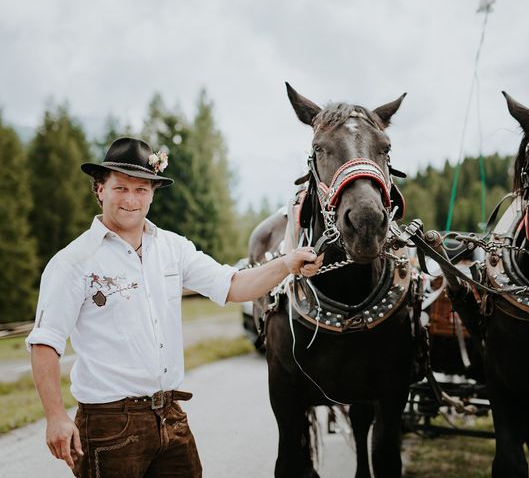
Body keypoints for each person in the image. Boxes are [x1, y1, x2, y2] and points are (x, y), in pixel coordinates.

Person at [26, 137, 323, 477]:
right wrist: (55, 416)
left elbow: (233, 285)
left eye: (141, 190)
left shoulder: (172, 248)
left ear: (152, 193)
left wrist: (286, 264)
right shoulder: (73, 262)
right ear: (99, 189)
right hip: (108, 425)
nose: (131, 199)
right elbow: (45, 343)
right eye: (120, 188)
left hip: (171, 414)